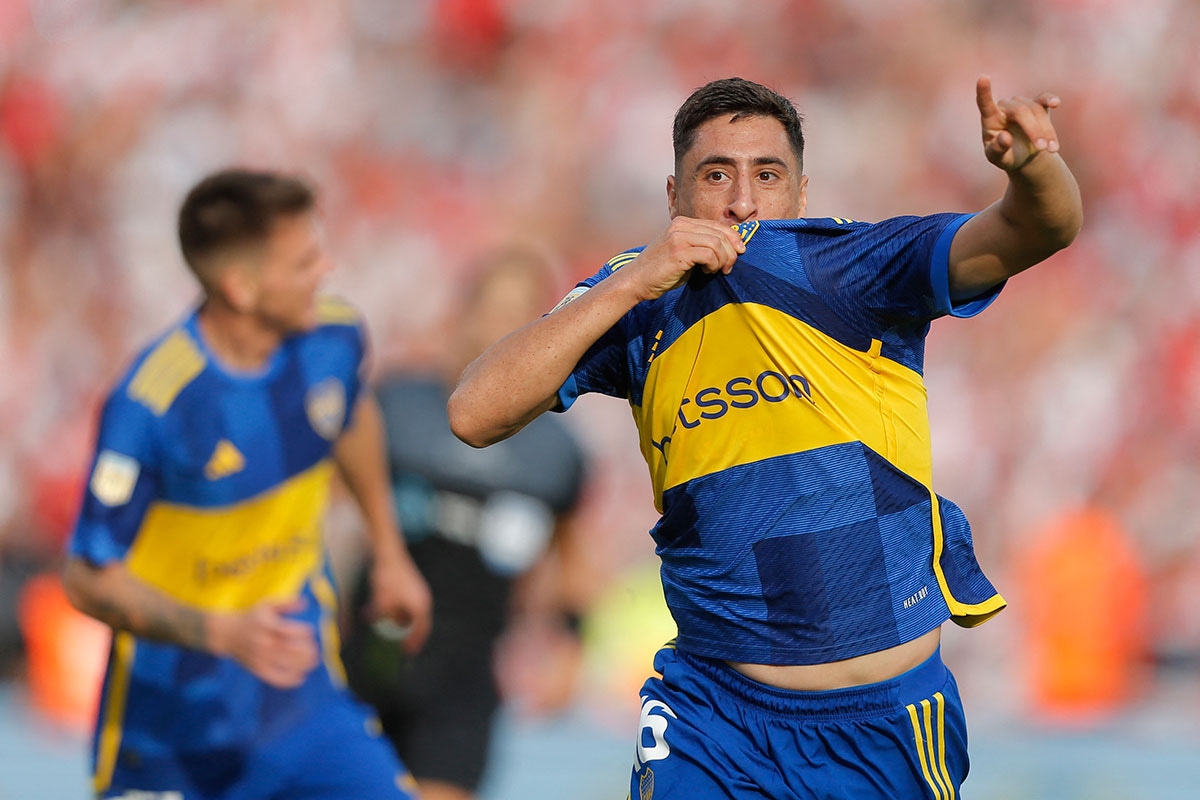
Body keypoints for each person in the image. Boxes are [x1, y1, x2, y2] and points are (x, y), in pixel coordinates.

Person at [447, 75, 1083, 799]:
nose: (742, 201)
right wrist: (626, 286)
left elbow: (1038, 229)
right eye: (716, 175)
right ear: (674, 196)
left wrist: (1033, 169)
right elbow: (473, 412)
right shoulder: (635, 297)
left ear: (801, 195)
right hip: (711, 718)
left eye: (767, 176)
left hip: (881, 726)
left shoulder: (858, 265)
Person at [62, 167, 433, 800]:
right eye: (303, 261)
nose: (326, 269)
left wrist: (390, 551)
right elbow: (86, 576)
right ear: (240, 285)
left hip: (300, 702)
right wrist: (220, 632)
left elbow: (349, 412)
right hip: (172, 730)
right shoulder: (151, 405)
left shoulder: (331, 338)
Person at [340, 247, 590, 800]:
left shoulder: (557, 452)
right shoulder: (397, 405)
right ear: (464, 310)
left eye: (521, 313)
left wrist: (568, 647)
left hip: (465, 676)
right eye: (493, 308)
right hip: (370, 652)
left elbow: (570, 561)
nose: (501, 326)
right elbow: (325, 511)